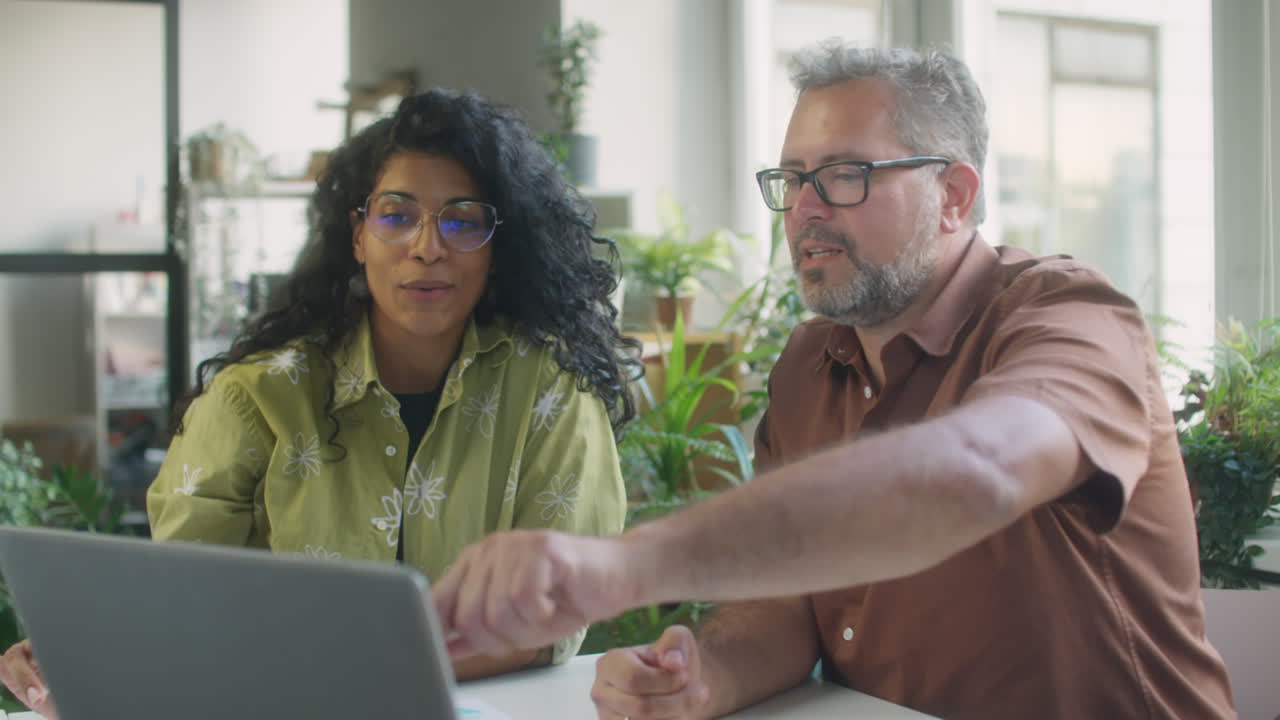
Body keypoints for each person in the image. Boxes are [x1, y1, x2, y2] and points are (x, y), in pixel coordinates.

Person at [429, 43, 1237, 719]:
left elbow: (975, 472)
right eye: (791, 179)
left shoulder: (1072, 318)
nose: (804, 210)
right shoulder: (810, 362)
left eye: (845, 175)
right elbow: (787, 610)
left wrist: (621, 567)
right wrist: (701, 677)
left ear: (953, 196)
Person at [0, 87, 637, 717]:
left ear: (499, 246)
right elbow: (186, 603)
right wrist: (94, 657)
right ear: (358, 235)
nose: (427, 246)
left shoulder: (553, 391)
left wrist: (344, 666)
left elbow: (554, 615)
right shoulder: (258, 397)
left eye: (463, 220)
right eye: (397, 215)